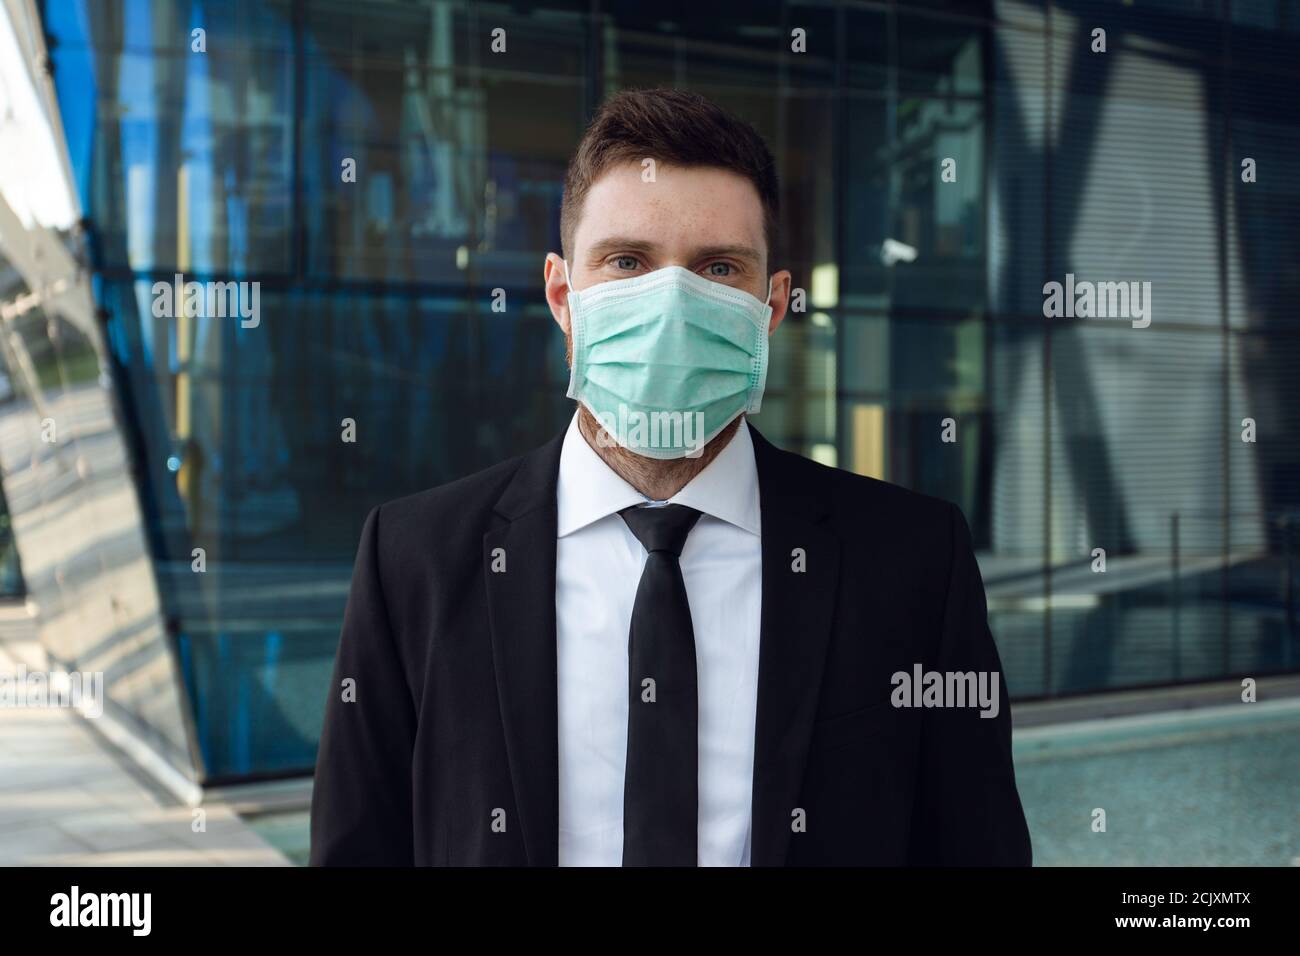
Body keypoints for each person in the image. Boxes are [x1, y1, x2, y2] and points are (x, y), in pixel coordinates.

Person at [309, 87, 1032, 867]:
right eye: (627, 262)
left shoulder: (915, 562)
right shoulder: (413, 558)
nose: (671, 304)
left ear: (772, 306)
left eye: (719, 268)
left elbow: (975, 846)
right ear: (562, 295)